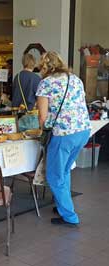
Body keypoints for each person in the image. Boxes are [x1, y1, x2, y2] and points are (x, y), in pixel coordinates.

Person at [36, 51, 91, 226]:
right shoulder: (75, 79)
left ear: (44, 66)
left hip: (63, 134)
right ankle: (63, 205)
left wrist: (40, 129)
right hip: (83, 131)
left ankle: (69, 216)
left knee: (54, 175)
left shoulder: (45, 83)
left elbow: (43, 117)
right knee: (65, 170)